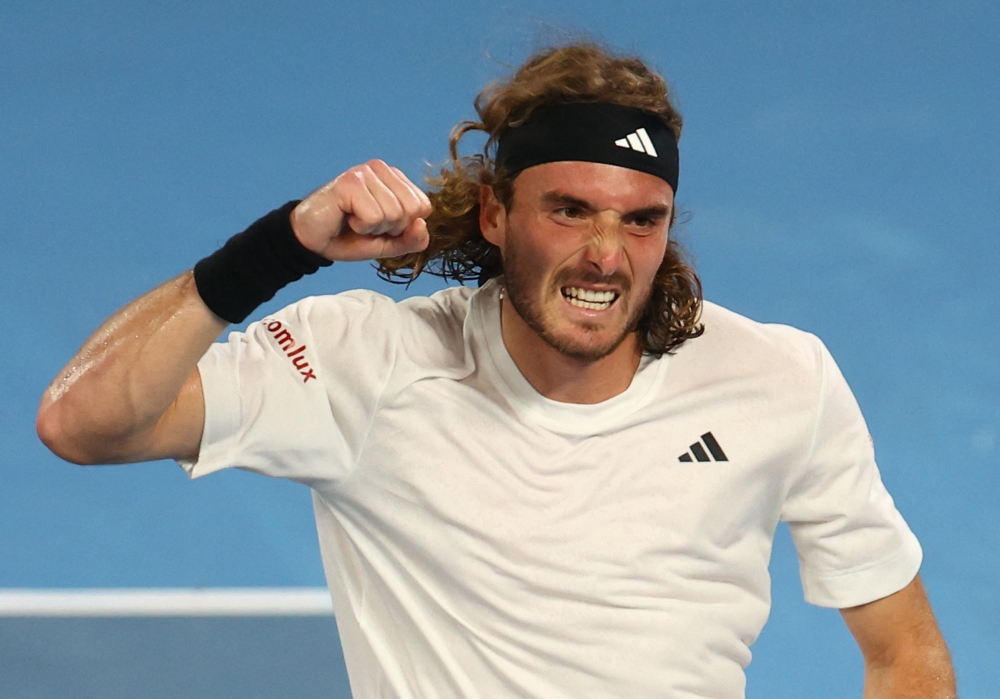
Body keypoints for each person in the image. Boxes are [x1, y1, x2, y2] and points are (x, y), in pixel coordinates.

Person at [38, 43, 955, 698]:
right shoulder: (366, 365)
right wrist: (279, 247)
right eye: (569, 210)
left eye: (642, 218)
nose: (607, 254)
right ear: (492, 213)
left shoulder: (779, 378)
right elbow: (84, 424)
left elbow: (904, 652)